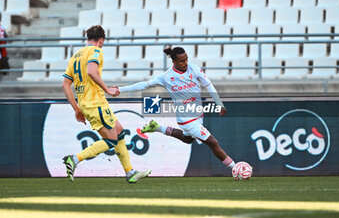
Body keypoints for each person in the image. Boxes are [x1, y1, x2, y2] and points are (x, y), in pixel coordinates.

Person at [117, 47, 236, 172]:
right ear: (173, 62)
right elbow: (145, 84)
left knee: (188, 139)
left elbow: (208, 85)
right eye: (182, 61)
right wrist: (121, 89)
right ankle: (235, 168)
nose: (185, 63)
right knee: (212, 142)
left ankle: (158, 128)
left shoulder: (194, 69)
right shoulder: (167, 76)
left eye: (186, 59)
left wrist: (219, 104)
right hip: (186, 119)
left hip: (198, 114)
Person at [62, 25, 151, 183]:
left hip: (87, 104)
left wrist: (77, 109)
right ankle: (74, 159)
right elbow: (91, 71)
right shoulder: (96, 51)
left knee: (120, 131)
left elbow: (65, 85)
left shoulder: (75, 55)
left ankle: (130, 172)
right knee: (111, 140)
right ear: (101, 40)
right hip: (96, 103)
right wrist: (107, 89)